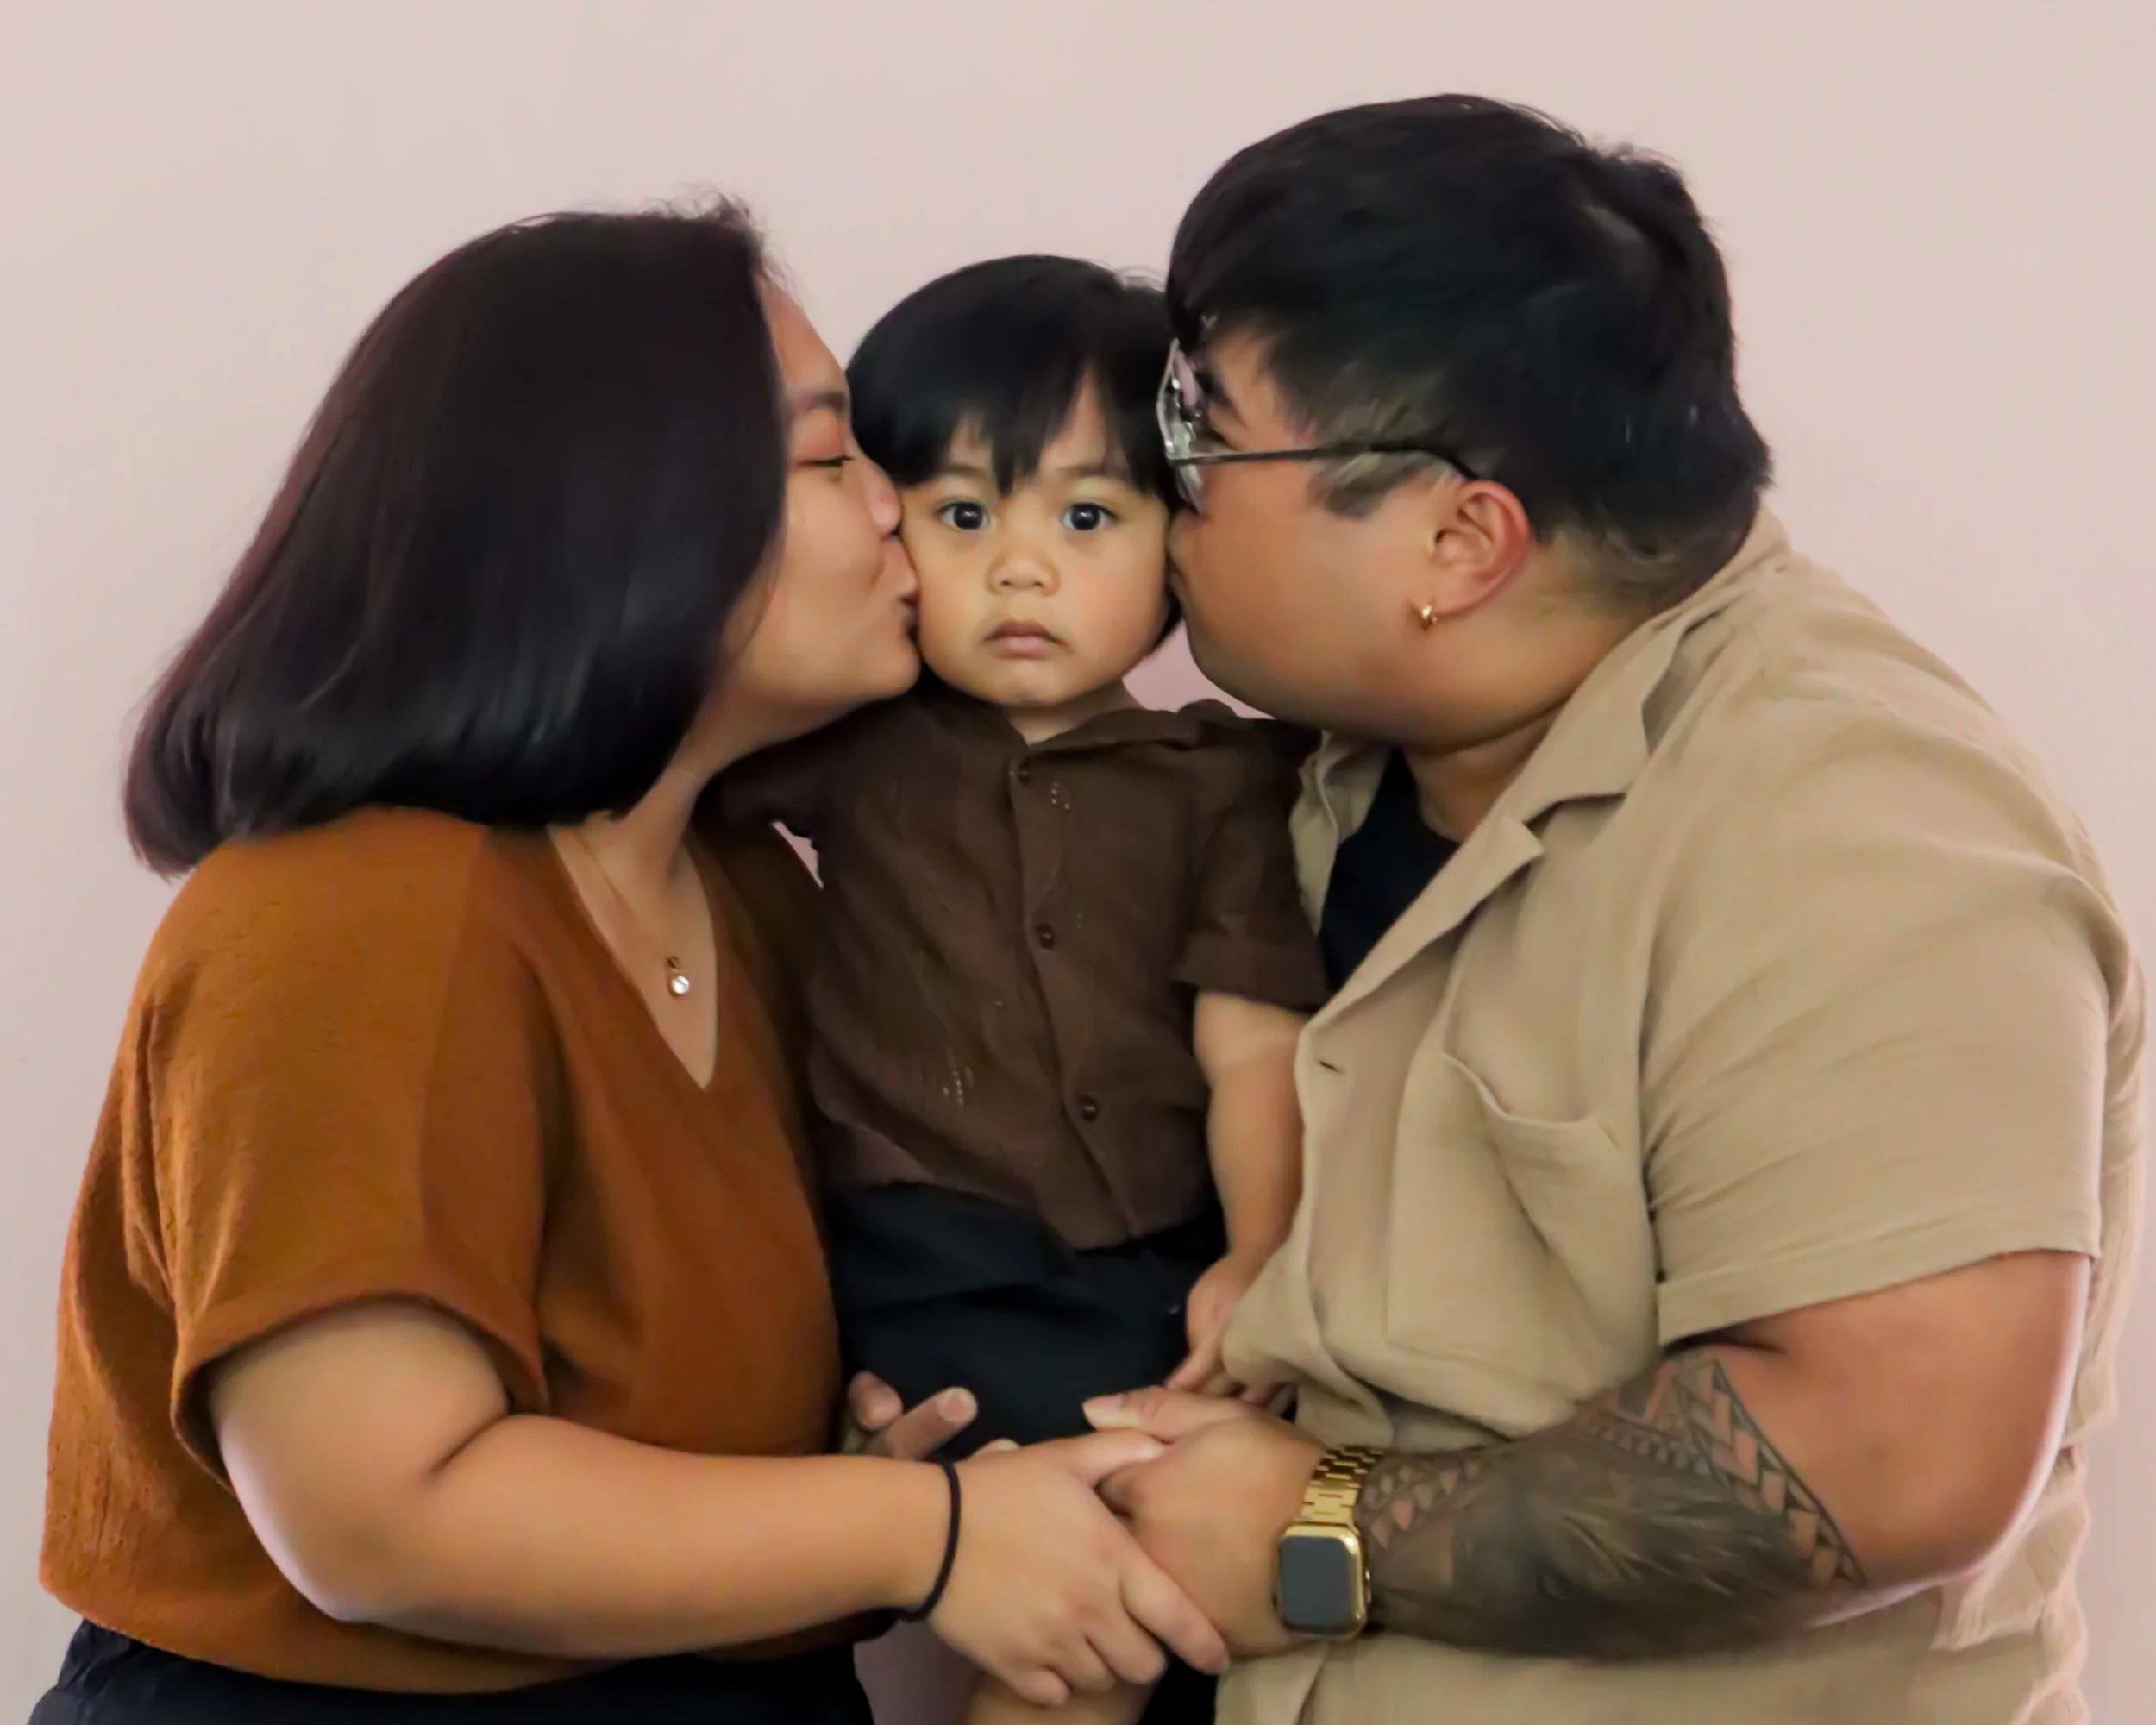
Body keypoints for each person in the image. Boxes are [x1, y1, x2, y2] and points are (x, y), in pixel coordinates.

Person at [32, 204, 1227, 1725]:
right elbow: (377, 1515)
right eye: (827, 460)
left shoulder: (760, 898)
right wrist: (922, 1535)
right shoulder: (355, 906)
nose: (894, 515)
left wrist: (843, 1468)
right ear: (631, 521)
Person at [1077, 95, 2145, 1725]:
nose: (1169, 477)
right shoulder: (1341, 767)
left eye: (1206, 425)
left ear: (1460, 538)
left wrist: (1323, 1534)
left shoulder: (1853, 830)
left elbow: (1894, 1459)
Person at [711, 254, 1326, 1725]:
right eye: (966, 515)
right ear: (885, 522)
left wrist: (1260, 1251)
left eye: (1088, 517)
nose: (1022, 569)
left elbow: (1252, 1047)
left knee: (1199, 1563)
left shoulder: (1222, 784)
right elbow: (666, 746)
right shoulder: (853, 739)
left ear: (1179, 543)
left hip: (1156, 1262)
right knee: (1110, 1573)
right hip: (933, 1257)